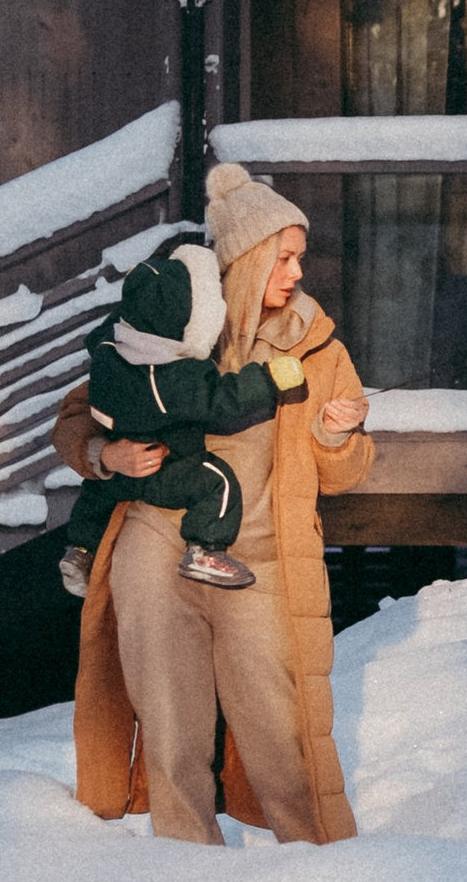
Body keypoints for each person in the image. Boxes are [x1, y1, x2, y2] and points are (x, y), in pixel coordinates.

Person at [54, 166, 375, 846]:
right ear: (245, 258)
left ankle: (321, 868)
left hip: (255, 560)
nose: (294, 272)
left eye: (298, 257)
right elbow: (81, 416)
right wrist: (102, 457)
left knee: (278, 726)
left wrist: (338, 436)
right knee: (169, 720)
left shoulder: (316, 349)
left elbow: (342, 472)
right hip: (156, 542)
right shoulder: (172, 324)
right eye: (281, 257)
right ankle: (186, 866)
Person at [57, 235, 278, 598]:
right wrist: (106, 455)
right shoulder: (172, 373)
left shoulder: (112, 352)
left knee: (95, 495)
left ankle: (80, 547)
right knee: (217, 481)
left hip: (260, 559)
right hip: (164, 490)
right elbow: (223, 397)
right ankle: (205, 548)